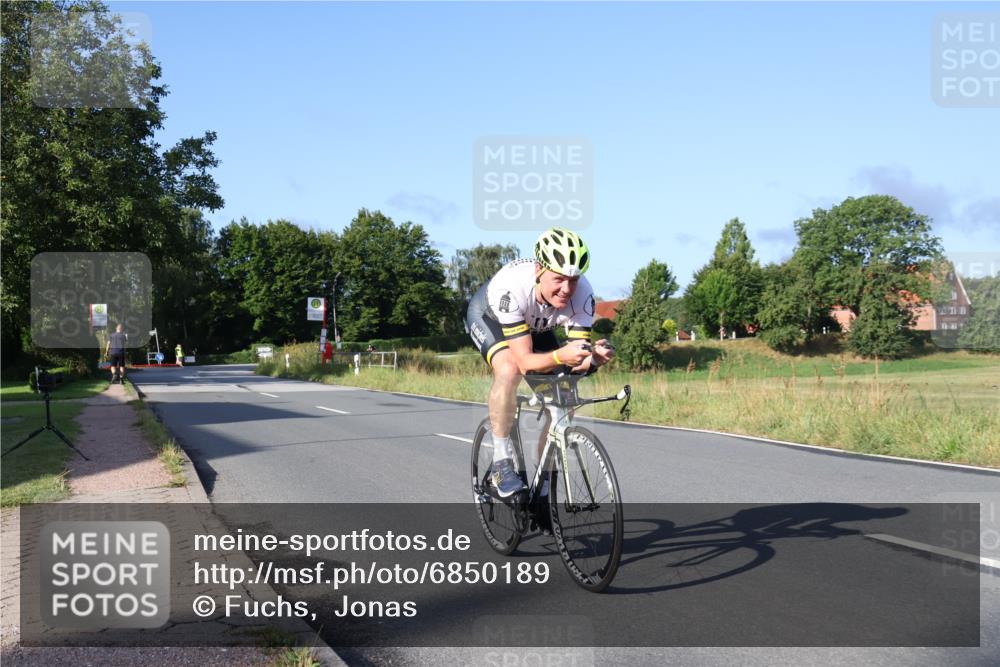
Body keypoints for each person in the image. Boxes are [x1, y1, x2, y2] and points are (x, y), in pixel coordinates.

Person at [465, 228, 615, 531]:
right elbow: (524, 361)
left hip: (538, 325)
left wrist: (593, 359)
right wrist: (561, 357)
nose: (566, 288)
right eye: (558, 279)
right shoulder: (512, 287)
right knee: (509, 369)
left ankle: (543, 489)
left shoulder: (583, 296)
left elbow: (576, 360)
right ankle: (501, 464)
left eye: (573, 280)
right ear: (539, 270)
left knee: (565, 395)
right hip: (491, 317)